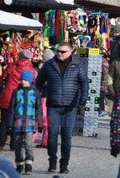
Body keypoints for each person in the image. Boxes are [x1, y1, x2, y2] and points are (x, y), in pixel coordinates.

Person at [35, 42, 89, 174]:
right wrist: (36, 97)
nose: (59, 53)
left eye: (63, 51)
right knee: (52, 135)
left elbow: (84, 82)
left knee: (66, 136)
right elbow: (39, 83)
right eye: (58, 50)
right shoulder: (49, 65)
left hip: (70, 106)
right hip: (53, 105)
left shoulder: (78, 65)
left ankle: (64, 164)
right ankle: (52, 162)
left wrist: (84, 96)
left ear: (70, 52)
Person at [0, 49, 36, 150]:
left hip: (8, 95)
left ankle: (0, 144)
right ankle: (14, 145)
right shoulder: (31, 69)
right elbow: (33, 83)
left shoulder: (12, 66)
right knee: (17, 120)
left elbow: (2, 78)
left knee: (4, 120)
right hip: (21, 96)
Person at [7, 70, 42, 174]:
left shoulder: (35, 92)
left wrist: (40, 124)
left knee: (28, 144)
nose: (23, 81)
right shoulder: (16, 92)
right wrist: (9, 123)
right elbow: (11, 108)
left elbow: (38, 109)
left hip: (29, 123)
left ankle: (29, 164)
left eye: (25, 80)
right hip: (17, 123)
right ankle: (19, 164)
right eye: (21, 79)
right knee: (17, 145)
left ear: (30, 80)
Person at [32, 49, 54, 147]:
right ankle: (45, 141)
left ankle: (29, 140)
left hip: (40, 95)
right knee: (46, 120)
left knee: (37, 118)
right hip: (48, 96)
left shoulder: (39, 67)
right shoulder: (52, 67)